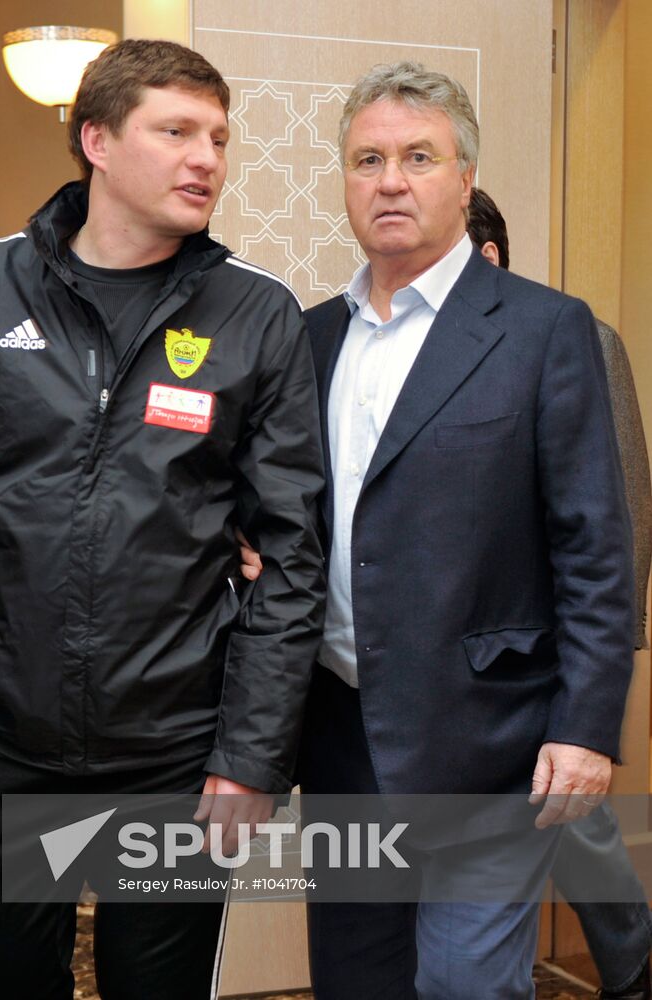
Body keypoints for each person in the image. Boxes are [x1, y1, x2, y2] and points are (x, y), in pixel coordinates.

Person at [0, 38, 327, 1000]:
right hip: (1, 740)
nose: (206, 160)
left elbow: (293, 555)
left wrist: (252, 753)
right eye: (176, 131)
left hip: (177, 753)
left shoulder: (256, 316)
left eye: (218, 137)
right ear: (96, 140)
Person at [292, 62, 633, 999]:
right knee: (355, 982)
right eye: (367, 159)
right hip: (341, 731)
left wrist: (586, 726)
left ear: (464, 178)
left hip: (491, 736)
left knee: (465, 985)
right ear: (346, 180)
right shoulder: (311, 338)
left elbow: (597, 547)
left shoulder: (543, 331)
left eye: (417, 157)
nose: (389, 180)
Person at [468, 186, 652, 1000]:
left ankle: (633, 964)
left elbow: (624, 507)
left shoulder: (573, 335)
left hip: (552, 647)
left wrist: (607, 656)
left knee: (573, 816)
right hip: (459, 657)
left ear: (490, 257)